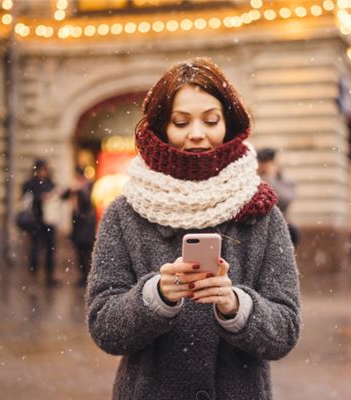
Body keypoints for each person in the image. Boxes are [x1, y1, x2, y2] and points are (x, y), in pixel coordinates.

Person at [87, 58, 301, 400]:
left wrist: (235, 305)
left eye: (211, 120)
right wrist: (155, 297)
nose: (197, 134)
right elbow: (104, 327)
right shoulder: (124, 213)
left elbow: (285, 330)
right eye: (181, 122)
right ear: (161, 128)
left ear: (229, 124)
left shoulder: (261, 213)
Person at [22, 159, 59, 287]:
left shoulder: (50, 183)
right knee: (35, 249)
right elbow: (26, 200)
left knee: (50, 249)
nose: (43, 172)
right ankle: (33, 275)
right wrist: (40, 198)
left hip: (49, 221)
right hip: (36, 222)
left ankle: (49, 275)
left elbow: (57, 197)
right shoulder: (30, 184)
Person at [256, 147, 300, 246]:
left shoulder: (285, 181)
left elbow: (285, 201)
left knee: (293, 233)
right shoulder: (253, 178)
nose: (263, 166)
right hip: (257, 225)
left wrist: (270, 177)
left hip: (279, 224)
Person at [61, 166, 96, 287]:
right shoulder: (75, 188)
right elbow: (63, 197)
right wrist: (71, 189)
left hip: (86, 225)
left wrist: (80, 190)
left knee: (88, 252)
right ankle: (83, 276)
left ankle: (89, 276)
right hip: (78, 225)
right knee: (79, 252)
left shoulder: (89, 186)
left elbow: (87, 202)